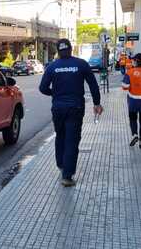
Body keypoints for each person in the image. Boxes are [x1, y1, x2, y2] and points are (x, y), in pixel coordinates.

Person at [39, 39, 103, 187]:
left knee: (60, 136)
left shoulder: (52, 67)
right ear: (71, 49)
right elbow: (93, 85)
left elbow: (42, 88)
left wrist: (54, 93)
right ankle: (67, 176)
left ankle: (61, 164)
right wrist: (97, 103)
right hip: (75, 108)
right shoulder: (81, 64)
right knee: (72, 141)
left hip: (58, 109)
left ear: (58, 51)